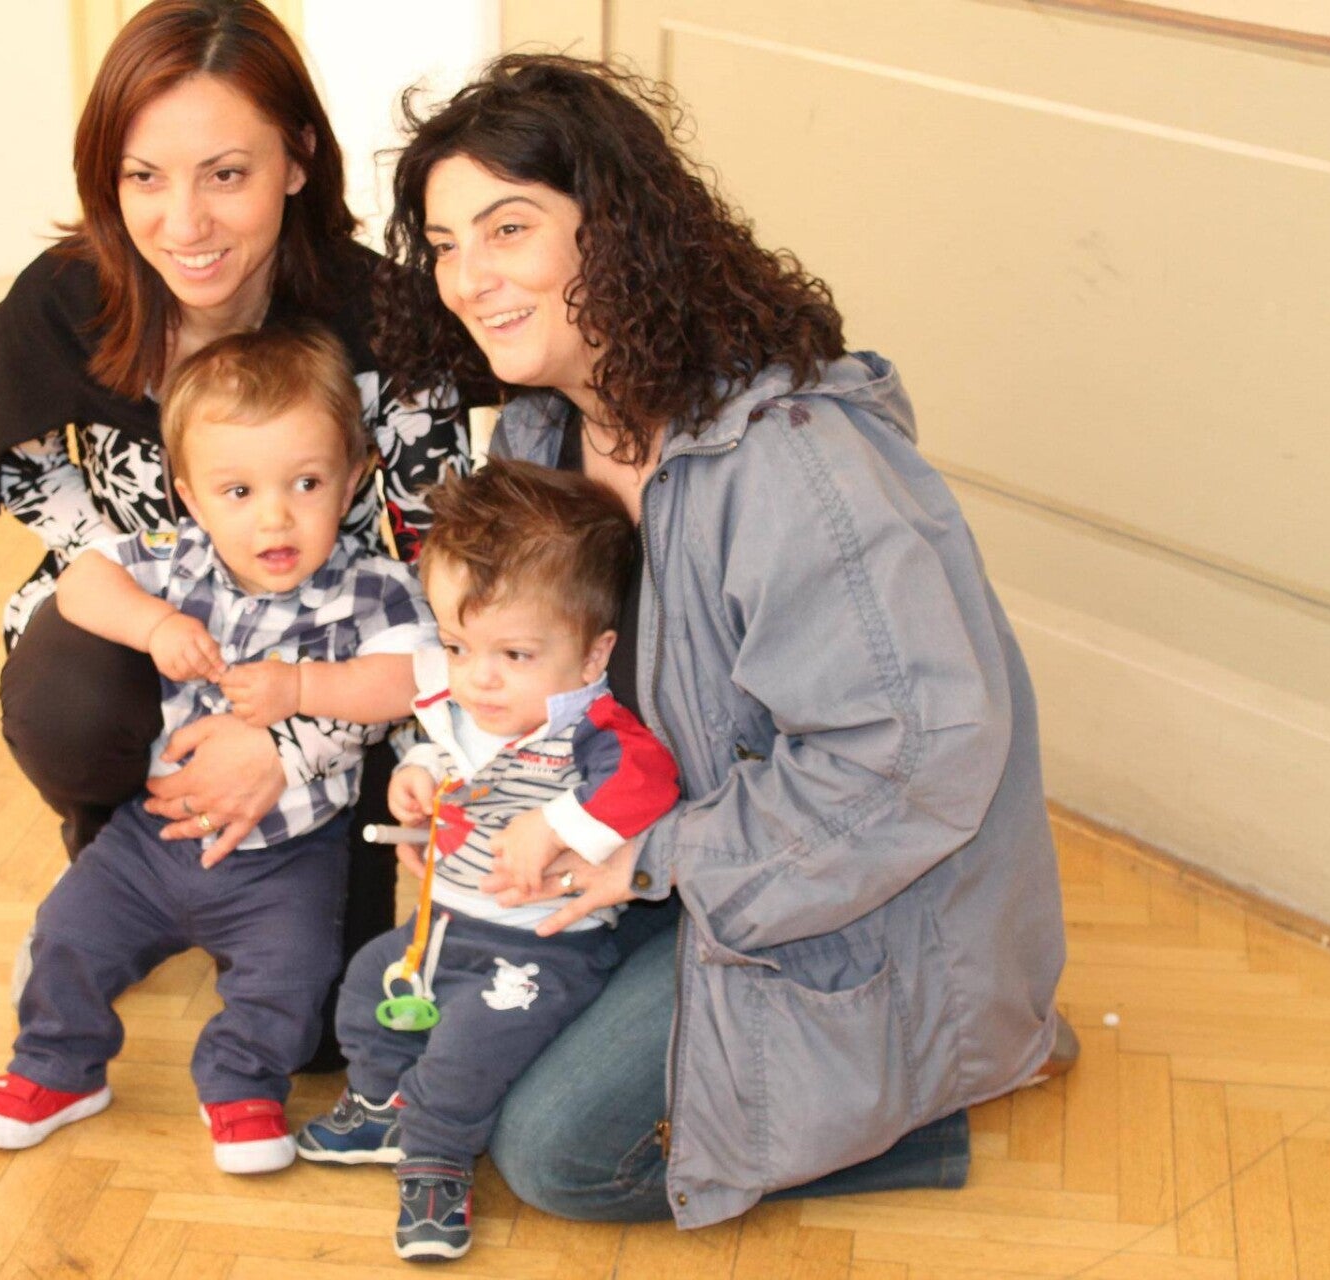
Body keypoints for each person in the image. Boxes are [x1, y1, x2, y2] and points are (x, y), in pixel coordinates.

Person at [370, 54, 1073, 1228]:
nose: (468, 278)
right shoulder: (542, 428)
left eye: (508, 228)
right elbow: (544, 679)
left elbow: (913, 755)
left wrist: (645, 858)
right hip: (667, 847)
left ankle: (954, 1067)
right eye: (445, 244)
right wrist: (477, 782)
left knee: (554, 1152)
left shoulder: (789, 462)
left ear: (614, 232)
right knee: (427, 1025)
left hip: (843, 887)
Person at [0, 0, 471, 1048]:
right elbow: (36, 487)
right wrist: (143, 607)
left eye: (225, 174)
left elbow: (437, 561)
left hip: (337, 673)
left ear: (296, 160)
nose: (183, 223)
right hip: (147, 634)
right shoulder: (64, 303)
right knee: (69, 697)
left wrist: (292, 739)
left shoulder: (385, 316)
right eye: (143, 177)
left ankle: (244, 861)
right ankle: (122, 858)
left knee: (317, 1040)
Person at [0, 326, 435, 1171]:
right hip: (153, 838)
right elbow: (81, 578)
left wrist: (303, 689)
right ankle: (57, 1066)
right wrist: (154, 625)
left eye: (306, 483)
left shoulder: (377, 589)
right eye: (238, 491)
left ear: (353, 477)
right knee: (67, 934)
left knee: (291, 976)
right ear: (190, 496)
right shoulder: (176, 562)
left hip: (288, 858)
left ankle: (241, 1083)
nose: (275, 516)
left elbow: (412, 679)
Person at [293, 460, 680, 1261]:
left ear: (591, 656)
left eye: (514, 654)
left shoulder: (589, 729)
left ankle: (436, 1163)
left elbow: (648, 782)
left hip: (542, 949)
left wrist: (557, 823)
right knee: (367, 986)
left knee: (467, 1052)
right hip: (443, 925)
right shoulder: (463, 709)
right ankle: (379, 1107)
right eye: (456, 645)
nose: (479, 676)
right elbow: (446, 759)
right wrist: (415, 778)